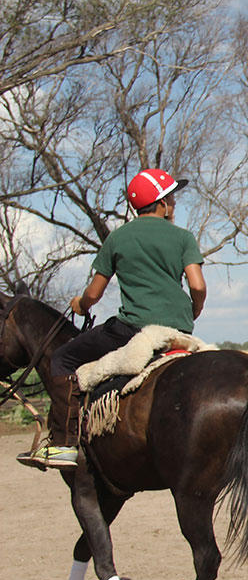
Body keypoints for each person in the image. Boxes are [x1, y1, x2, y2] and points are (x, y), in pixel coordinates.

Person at [18, 169, 206, 470]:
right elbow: (197, 286)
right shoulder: (183, 237)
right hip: (179, 328)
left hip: (132, 329)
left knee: (63, 358)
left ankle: (64, 443)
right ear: (161, 203)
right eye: (170, 196)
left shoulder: (118, 238)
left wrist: (79, 304)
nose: (173, 201)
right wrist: (193, 310)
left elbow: (93, 294)